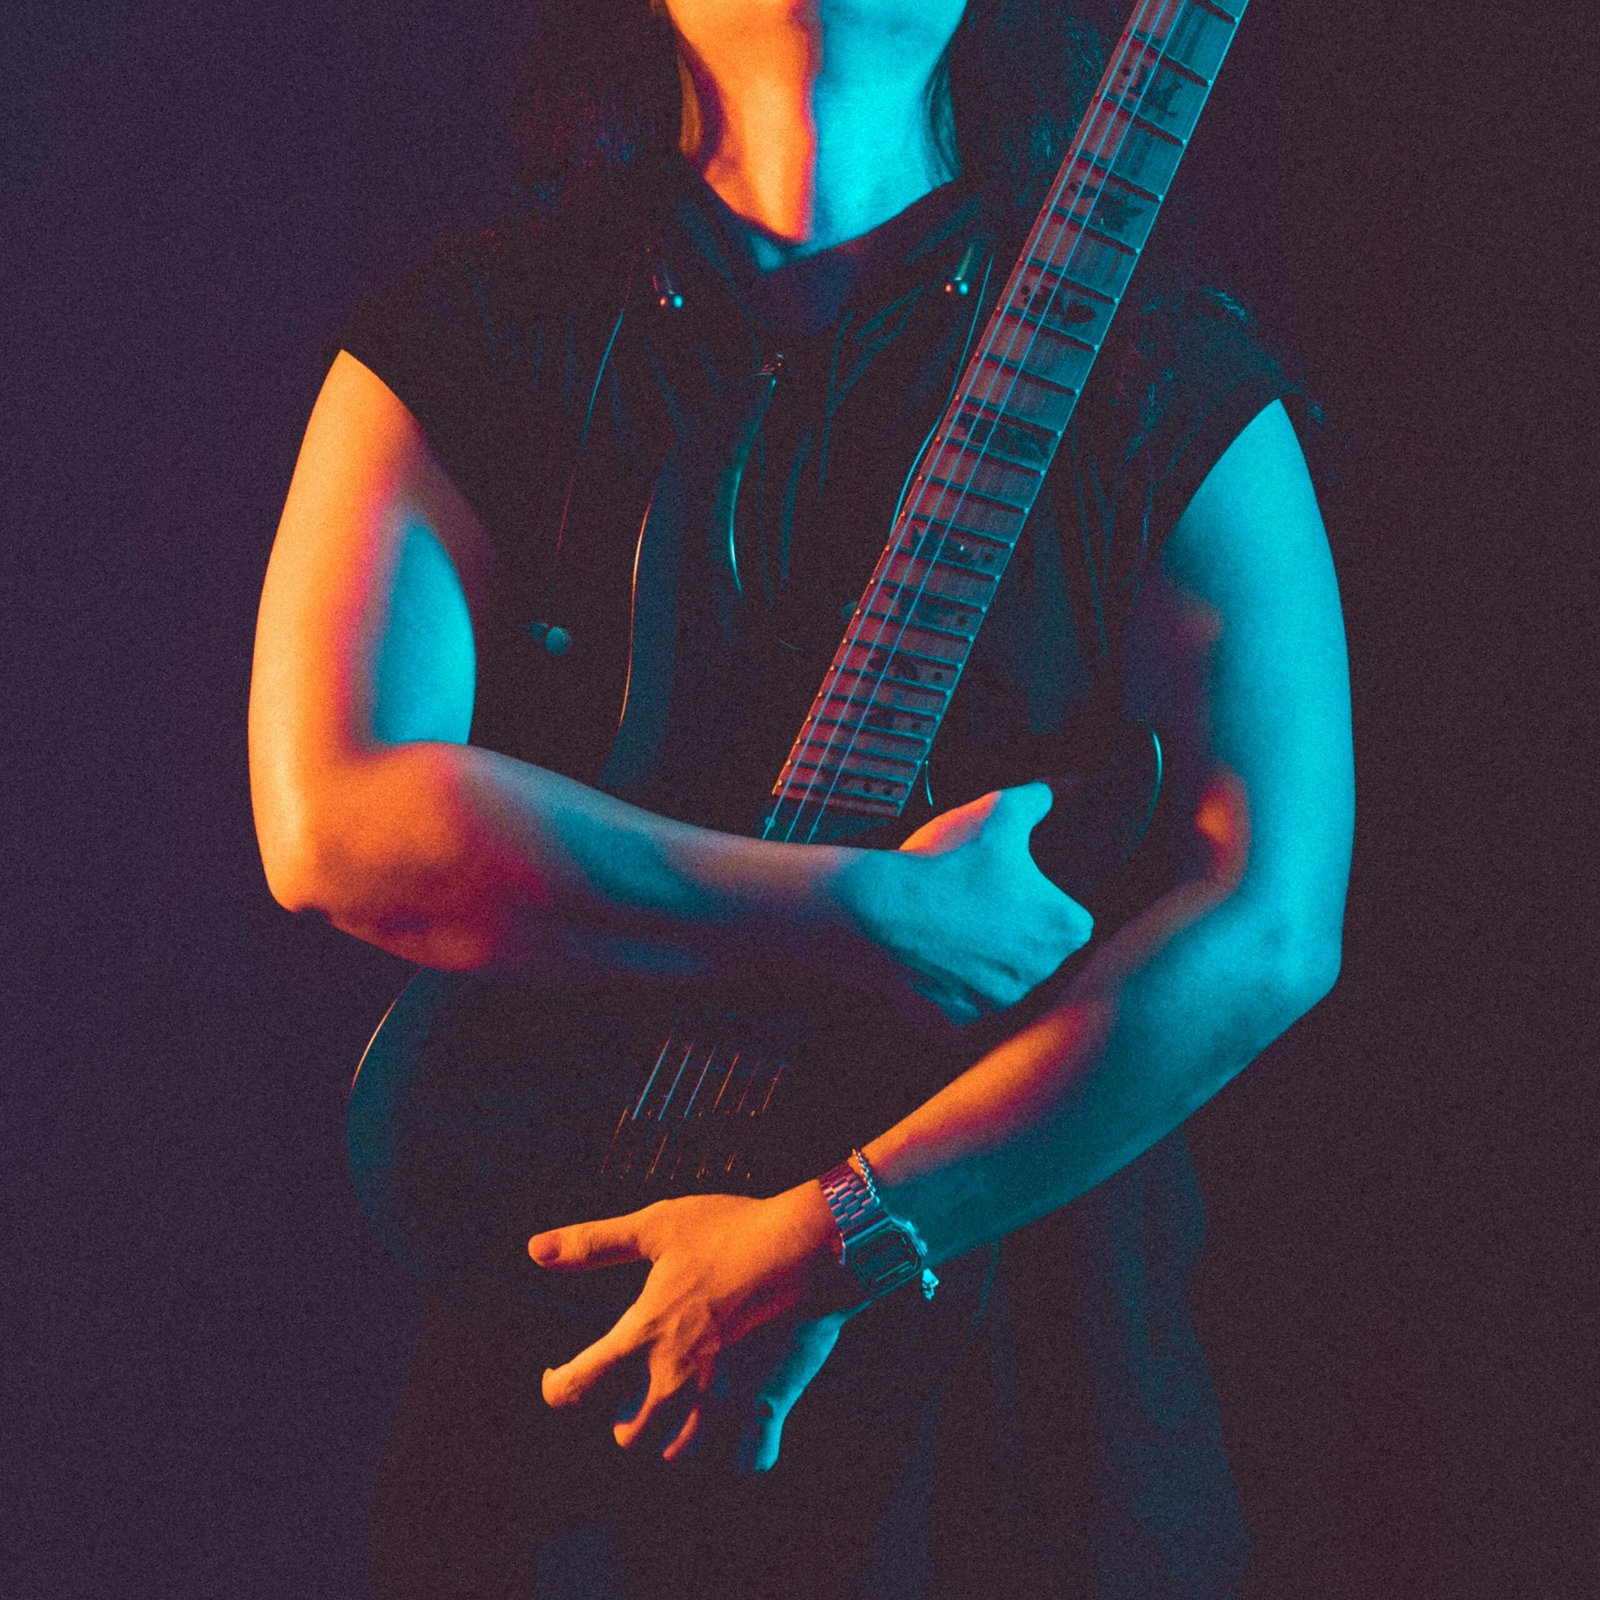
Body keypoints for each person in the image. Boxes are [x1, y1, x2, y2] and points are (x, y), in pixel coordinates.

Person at [248, 1, 1353, 1595]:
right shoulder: (469, 339)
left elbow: (1266, 921)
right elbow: (336, 820)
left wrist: (830, 1238)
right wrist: (858, 911)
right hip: (569, 1342)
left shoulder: (1170, 368)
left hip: (1027, 1394)